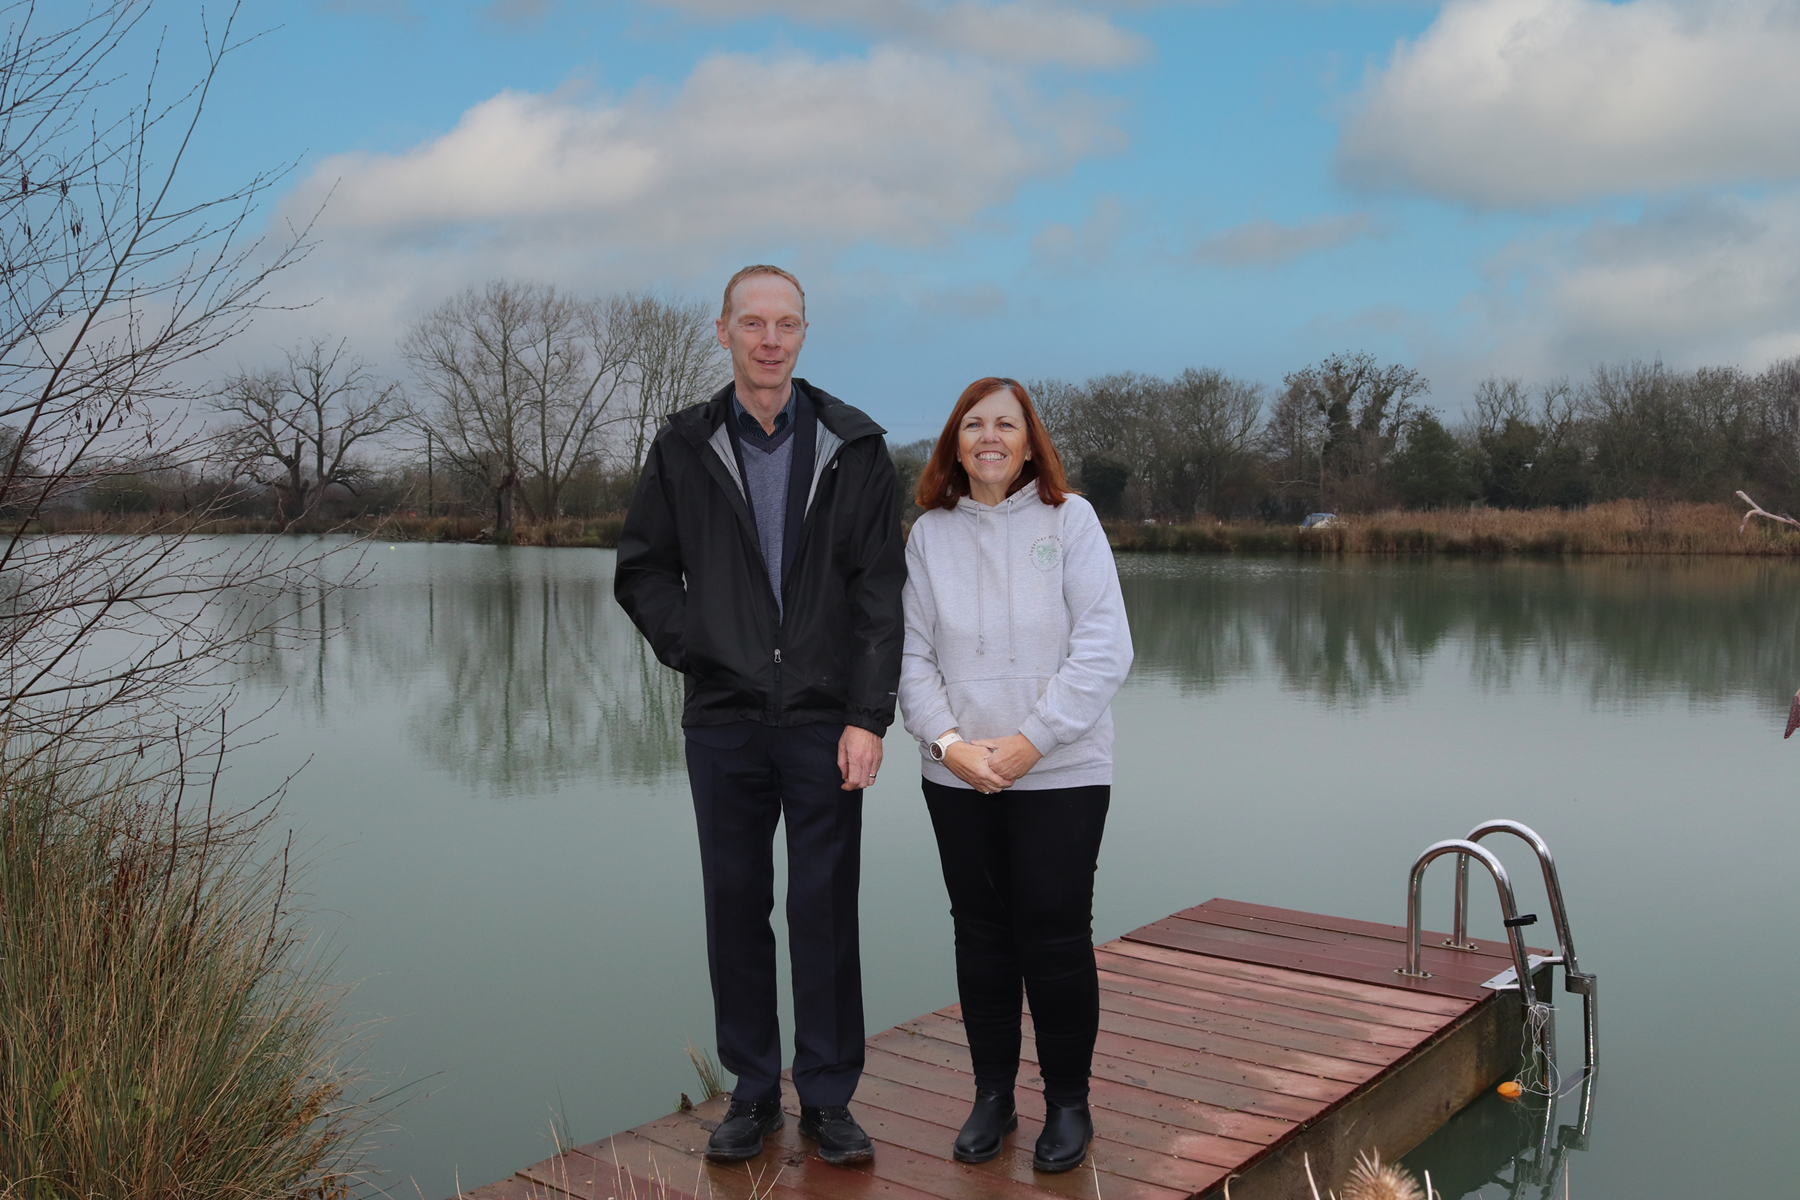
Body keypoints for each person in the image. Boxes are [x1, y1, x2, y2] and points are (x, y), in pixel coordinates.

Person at [615, 265, 905, 1167]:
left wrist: (870, 716)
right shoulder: (683, 444)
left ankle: (826, 1099)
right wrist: (700, 643)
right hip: (726, 720)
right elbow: (643, 570)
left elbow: (881, 594)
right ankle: (752, 1093)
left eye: (785, 324)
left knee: (824, 910)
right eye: (752, 323)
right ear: (723, 332)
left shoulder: (854, 446)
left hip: (826, 721)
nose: (769, 339)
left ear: (805, 334)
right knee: (736, 906)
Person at [898, 377, 1133, 1173]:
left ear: (1030, 442)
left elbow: (1105, 647)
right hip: (959, 774)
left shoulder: (1072, 522)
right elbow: (912, 658)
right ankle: (992, 1096)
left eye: (1006, 424)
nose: (989, 437)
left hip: (1061, 771)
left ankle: (1068, 1102)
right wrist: (949, 746)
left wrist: (1032, 741)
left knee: (1056, 934)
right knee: (983, 935)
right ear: (954, 443)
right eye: (973, 425)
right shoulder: (929, 534)